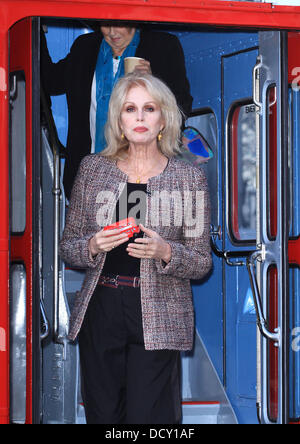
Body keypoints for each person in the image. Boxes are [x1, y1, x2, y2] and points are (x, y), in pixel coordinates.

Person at [59, 73, 211, 424]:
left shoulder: (189, 178)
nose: (139, 118)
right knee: (104, 417)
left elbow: (202, 261)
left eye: (149, 109)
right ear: (118, 119)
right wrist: (93, 245)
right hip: (102, 309)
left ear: (163, 118)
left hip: (159, 311)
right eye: (130, 109)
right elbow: (69, 246)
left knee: (151, 420)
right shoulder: (94, 169)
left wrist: (166, 252)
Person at [41, 23, 193, 199]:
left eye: (119, 24)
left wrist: (154, 82)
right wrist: (35, 27)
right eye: (105, 24)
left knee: (133, 225)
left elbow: (181, 108)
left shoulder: (163, 46)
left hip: (142, 177)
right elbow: (49, 81)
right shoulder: (85, 47)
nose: (112, 32)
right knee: (89, 227)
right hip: (88, 178)